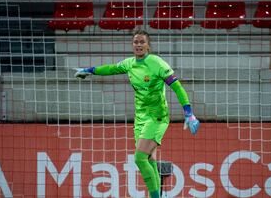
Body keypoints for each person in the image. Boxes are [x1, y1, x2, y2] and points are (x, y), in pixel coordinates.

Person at [74, 29, 199, 198]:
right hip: (140, 118)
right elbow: (111, 69)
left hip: (157, 117)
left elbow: (177, 87)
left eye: (142, 42)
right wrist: (90, 70)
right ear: (132, 45)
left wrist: (188, 113)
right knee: (149, 159)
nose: (138, 45)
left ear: (148, 45)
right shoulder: (129, 64)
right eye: (135, 42)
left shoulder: (157, 63)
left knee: (139, 158)